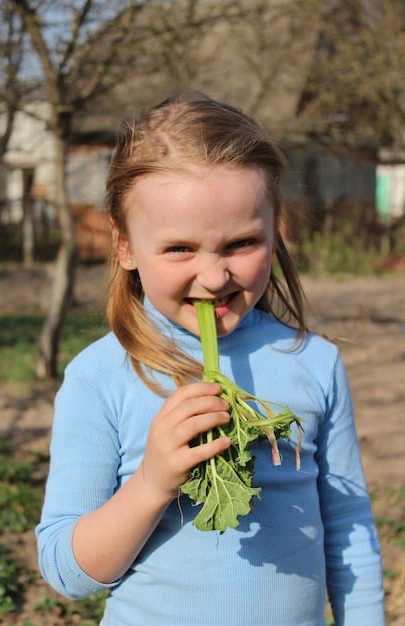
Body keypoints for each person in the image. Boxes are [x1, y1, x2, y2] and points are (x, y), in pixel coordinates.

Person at [36, 91, 385, 626]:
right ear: (124, 244)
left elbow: (348, 526)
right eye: (180, 248)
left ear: (276, 229)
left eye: (241, 243)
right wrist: (152, 484)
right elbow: (67, 574)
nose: (215, 276)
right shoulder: (99, 377)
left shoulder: (313, 362)